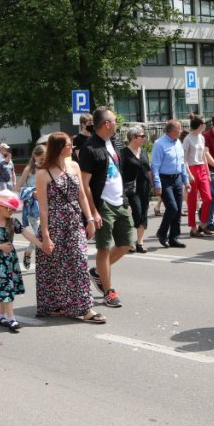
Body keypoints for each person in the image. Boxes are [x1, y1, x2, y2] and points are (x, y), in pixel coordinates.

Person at [36, 132, 103, 323]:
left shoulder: (74, 165)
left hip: (74, 221)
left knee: (80, 262)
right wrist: (46, 236)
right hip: (55, 223)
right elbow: (43, 207)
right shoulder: (43, 173)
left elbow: (81, 195)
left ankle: (85, 308)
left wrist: (89, 219)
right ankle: (57, 304)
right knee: (56, 266)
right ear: (58, 147)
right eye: (68, 144)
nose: (71, 147)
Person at [79, 107, 133, 309]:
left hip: (121, 202)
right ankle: (109, 292)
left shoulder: (115, 143)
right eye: (115, 120)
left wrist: (126, 200)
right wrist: (93, 212)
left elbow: (117, 174)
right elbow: (84, 184)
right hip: (103, 205)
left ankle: (97, 273)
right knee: (103, 248)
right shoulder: (89, 148)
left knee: (126, 243)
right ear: (106, 124)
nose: (117, 123)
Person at [0, 190, 41, 332]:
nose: (12, 211)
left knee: (6, 287)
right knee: (6, 287)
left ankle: (1, 316)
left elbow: (27, 234)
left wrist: (41, 245)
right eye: (10, 208)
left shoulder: (13, 222)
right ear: (0, 206)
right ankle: (11, 319)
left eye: (14, 209)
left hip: (10, 260)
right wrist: (0, 246)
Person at [150, 119, 189, 250]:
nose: (182, 131)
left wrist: (186, 180)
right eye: (180, 129)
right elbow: (155, 166)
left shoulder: (178, 142)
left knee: (178, 209)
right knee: (172, 207)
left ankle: (174, 238)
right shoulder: (159, 144)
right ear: (173, 131)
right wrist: (157, 183)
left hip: (177, 178)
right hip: (164, 179)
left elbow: (182, 163)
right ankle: (162, 232)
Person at [123, 124, 155, 253]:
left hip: (144, 187)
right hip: (130, 189)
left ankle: (139, 242)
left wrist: (153, 184)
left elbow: (148, 169)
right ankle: (129, 241)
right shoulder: (123, 153)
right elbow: (120, 172)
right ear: (133, 137)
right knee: (134, 213)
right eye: (142, 136)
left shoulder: (143, 152)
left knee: (143, 214)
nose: (144, 138)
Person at [17, 144, 46, 269]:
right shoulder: (29, 169)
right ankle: (43, 263)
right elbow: (18, 187)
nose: (43, 161)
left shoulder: (48, 168)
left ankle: (28, 252)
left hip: (47, 205)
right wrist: (31, 192)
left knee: (43, 234)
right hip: (33, 207)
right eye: (41, 158)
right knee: (39, 235)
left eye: (45, 159)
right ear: (35, 156)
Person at [184, 116, 212, 237]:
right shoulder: (187, 139)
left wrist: (208, 171)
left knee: (208, 198)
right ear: (199, 125)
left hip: (201, 169)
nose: (205, 125)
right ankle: (193, 227)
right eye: (204, 123)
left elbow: (204, 156)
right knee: (192, 201)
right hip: (192, 168)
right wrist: (189, 174)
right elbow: (184, 159)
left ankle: (203, 223)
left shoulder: (202, 137)